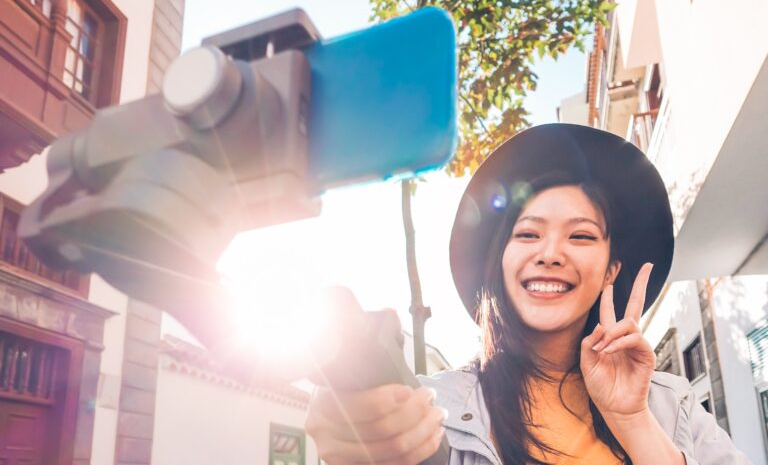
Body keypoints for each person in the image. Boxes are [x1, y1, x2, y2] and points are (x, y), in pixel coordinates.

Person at [305, 124, 751, 464]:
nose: (551, 254)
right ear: (500, 261)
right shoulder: (431, 407)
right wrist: (363, 425)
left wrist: (633, 421)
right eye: (527, 234)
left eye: (580, 236)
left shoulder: (674, 403)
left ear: (612, 268)